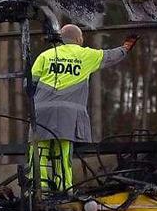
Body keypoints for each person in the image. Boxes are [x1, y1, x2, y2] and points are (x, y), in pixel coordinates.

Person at [28, 24, 139, 191]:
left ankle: (38, 188)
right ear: (79, 39)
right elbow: (111, 56)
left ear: (61, 39)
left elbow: (28, 84)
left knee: (38, 150)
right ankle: (64, 188)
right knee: (63, 152)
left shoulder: (45, 56)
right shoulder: (86, 55)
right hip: (68, 116)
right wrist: (126, 47)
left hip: (41, 113)